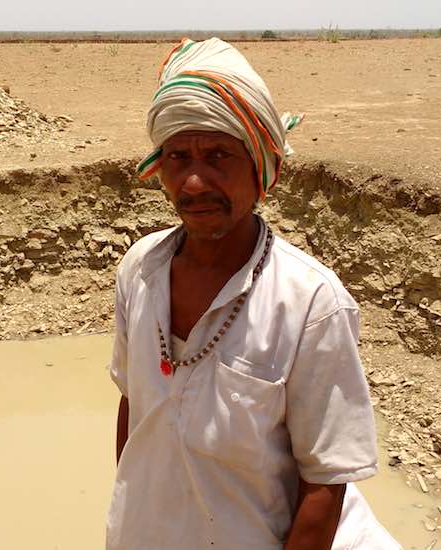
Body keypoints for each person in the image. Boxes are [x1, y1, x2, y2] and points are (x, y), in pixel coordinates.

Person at [106, 38, 400, 550]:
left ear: (260, 167)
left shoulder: (309, 302)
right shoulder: (140, 269)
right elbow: (135, 405)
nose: (194, 181)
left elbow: (326, 482)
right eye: (178, 156)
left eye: (218, 154)